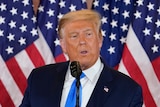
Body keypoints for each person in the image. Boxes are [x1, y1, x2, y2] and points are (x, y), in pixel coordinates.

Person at [19, 9, 143, 107]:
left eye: (88, 34)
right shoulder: (39, 79)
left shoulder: (128, 91)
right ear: (63, 45)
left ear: (100, 40)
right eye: (74, 36)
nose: (82, 41)